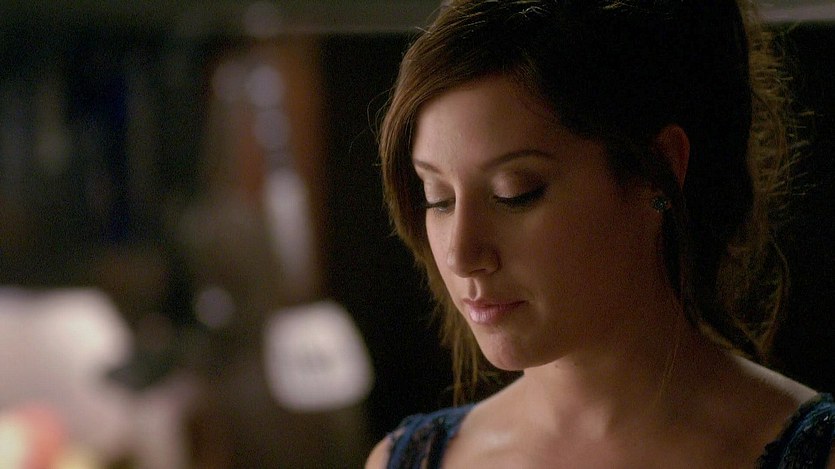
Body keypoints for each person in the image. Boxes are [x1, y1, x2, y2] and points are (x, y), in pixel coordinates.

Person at [365, 0, 835, 468]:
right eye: (438, 197)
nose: (461, 254)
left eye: (516, 193)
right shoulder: (405, 461)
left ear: (656, 171)